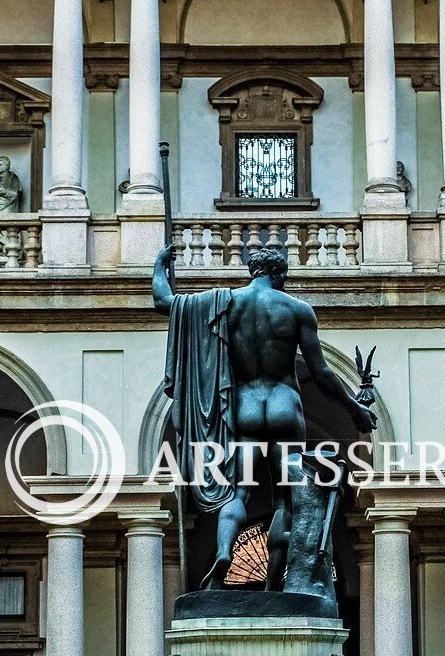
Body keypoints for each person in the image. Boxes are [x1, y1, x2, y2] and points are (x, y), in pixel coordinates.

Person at [154, 241, 376, 589]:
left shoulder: (225, 303)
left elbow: (164, 302)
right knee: (285, 497)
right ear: (280, 274)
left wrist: (159, 266)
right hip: (284, 406)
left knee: (239, 493)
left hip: (245, 408)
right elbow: (321, 372)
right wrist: (354, 409)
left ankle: (225, 551)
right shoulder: (297, 309)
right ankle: (274, 585)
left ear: (252, 271)